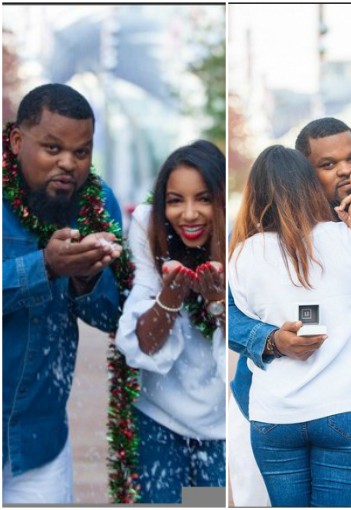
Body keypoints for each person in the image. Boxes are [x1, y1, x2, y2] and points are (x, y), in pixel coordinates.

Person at [228, 118, 351, 507]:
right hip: (270, 403)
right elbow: (231, 312)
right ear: (305, 172)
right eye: (328, 164)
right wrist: (270, 339)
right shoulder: (258, 236)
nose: (346, 170)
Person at [3, 83, 124, 503]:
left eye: (81, 152)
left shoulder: (97, 202)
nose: (68, 164)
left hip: (40, 442)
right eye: (52, 149)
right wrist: (45, 267)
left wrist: (86, 278)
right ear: (17, 140)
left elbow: (113, 318)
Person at [116, 141, 226, 504]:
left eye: (204, 198)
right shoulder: (149, 225)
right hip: (159, 416)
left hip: (223, 423)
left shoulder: (240, 237)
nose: (189, 214)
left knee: (206, 504)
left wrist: (217, 303)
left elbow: (251, 347)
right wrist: (169, 299)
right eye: (176, 200)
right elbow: (143, 344)